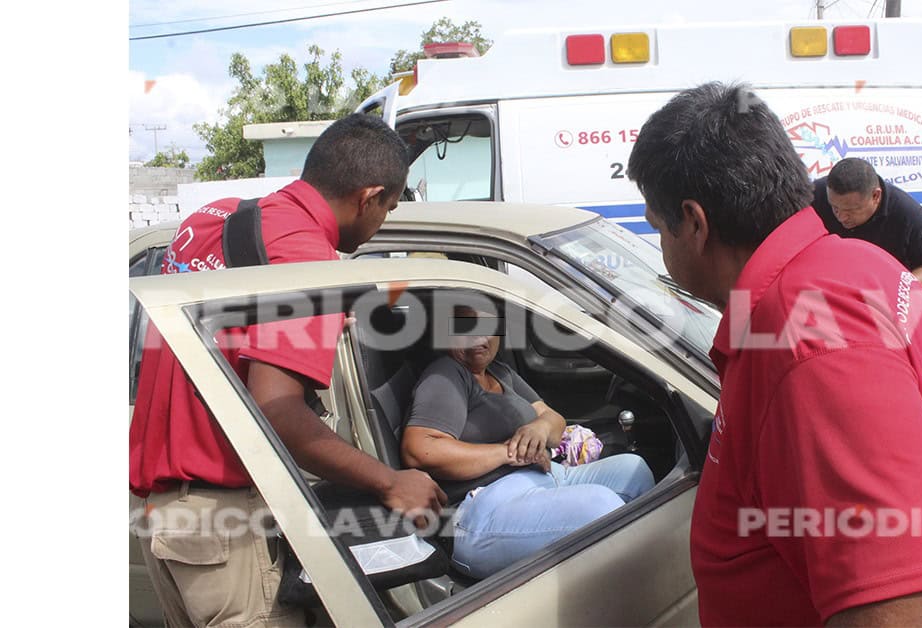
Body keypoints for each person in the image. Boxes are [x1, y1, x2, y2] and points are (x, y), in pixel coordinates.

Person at [626, 83, 922, 627]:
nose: (660, 246)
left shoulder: (806, 336)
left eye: (655, 226)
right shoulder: (847, 264)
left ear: (694, 223)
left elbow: (896, 603)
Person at [129, 113, 447, 627]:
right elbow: (276, 409)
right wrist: (390, 481)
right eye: (388, 208)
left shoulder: (212, 217)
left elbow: (217, 342)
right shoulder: (307, 263)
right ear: (369, 196)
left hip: (165, 519)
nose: (381, 224)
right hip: (223, 526)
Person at [401, 304, 654, 579]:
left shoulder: (500, 372)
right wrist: (510, 452)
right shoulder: (447, 374)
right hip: (480, 509)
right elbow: (420, 450)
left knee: (634, 470)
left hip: (547, 476)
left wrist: (540, 429)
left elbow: (553, 419)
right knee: (601, 505)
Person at [811, 157, 922, 288]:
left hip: (883, 297)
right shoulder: (814, 195)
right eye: (834, 208)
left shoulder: (907, 214)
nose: (841, 217)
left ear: (875, 196)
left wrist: (894, 292)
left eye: (851, 210)